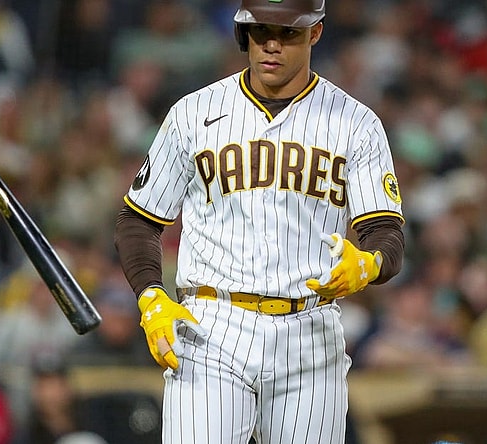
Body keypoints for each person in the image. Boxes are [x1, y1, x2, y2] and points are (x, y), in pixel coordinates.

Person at [113, 1, 405, 442]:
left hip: (309, 330)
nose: (271, 44)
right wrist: (151, 296)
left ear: (315, 32)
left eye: (287, 32)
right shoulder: (193, 112)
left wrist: (369, 264)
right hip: (211, 327)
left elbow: (385, 233)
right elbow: (137, 220)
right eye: (261, 30)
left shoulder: (356, 123)